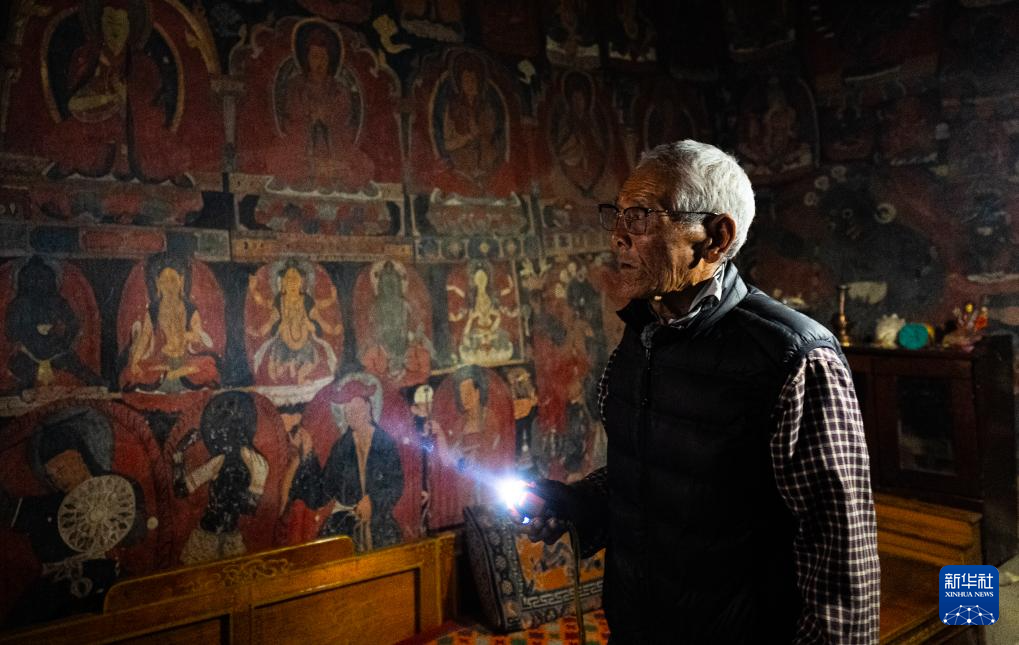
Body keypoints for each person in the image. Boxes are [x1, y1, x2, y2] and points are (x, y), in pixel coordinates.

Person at [521, 140, 880, 643]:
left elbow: (841, 555)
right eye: (618, 215)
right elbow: (663, 474)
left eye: (641, 217)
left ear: (715, 238)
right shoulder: (642, 336)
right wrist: (579, 502)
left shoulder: (793, 357)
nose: (618, 236)